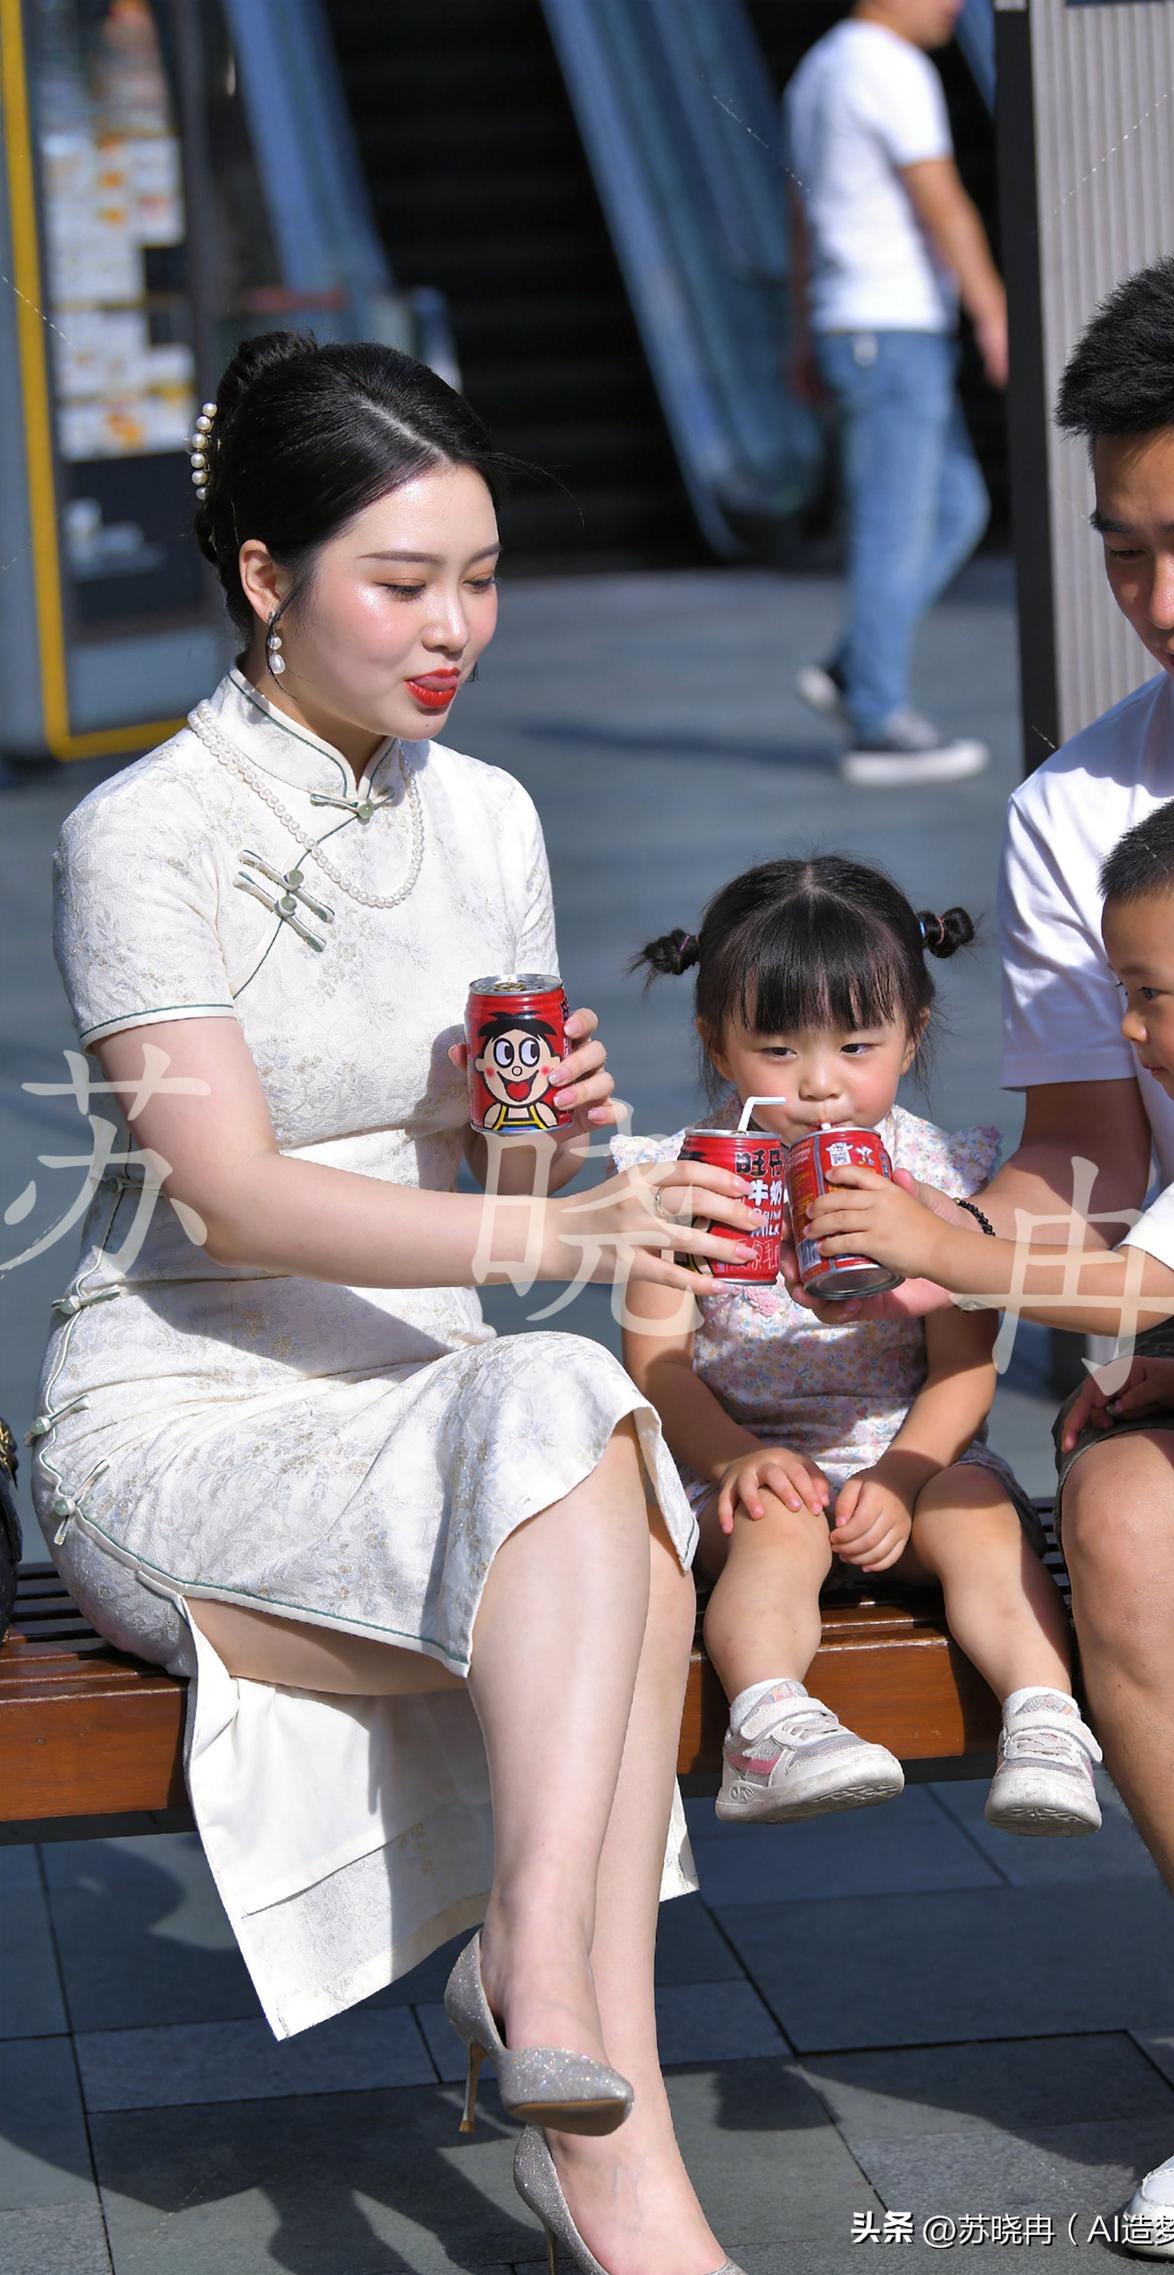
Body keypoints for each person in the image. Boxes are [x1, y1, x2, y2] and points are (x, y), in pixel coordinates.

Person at [30, 331, 760, 2275]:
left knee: (556, 1416)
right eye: (403, 583)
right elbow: (236, 1195)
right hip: (190, 1401)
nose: (458, 629)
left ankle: (553, 2002)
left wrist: (539, 1142)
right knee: (572, 1429)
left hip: (442, 1382)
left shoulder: (492, 815)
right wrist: (568, 1231)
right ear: (264, 576)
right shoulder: (143, 834)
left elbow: (501, 1182)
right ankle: (602, 2123)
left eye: (483, 577)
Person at [820, 243, 1174, 2260]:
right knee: (1122, 1509)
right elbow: (1085, 1157)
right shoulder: (1080, 805)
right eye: (1119, 558)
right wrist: (913, 1236)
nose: (1161, 606)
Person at [611, 856, 1102, 1834]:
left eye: (854, 1045)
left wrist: (908, 1471)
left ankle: (1045, 1717)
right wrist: (737, 1457)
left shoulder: (939, 1177)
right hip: (743, 1474)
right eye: (778, 1049)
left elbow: (965, 1363)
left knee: (976, 1506)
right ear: (715, 1040)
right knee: (779, 1524)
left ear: (911, 1036)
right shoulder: (681, 1181)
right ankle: (768, 1722)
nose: (819, 1084)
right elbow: (655, 1363)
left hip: (905, 1461)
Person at [784, 0, 1007, 786]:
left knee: (955, 509)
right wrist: (992, 306)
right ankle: (878, 722)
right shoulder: (890, 66)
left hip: (860, 327)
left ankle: (855, 667)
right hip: (892, 329)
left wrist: (805, 329)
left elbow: (804, 215)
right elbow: (939, 197)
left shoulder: (819, 69)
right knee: (892, 526)